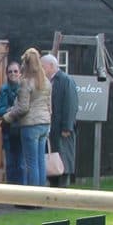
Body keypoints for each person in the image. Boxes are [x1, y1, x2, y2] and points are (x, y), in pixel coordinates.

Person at [3, 46, 52, 186]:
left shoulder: (26, 82)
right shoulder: (46, 82)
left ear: (26, 63)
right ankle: (42, 197)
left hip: (30, 125)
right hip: (44, 124)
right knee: (40, 161)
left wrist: (7, 117)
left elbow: (23, 108)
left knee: (31, 163)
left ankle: (32, 200)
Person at [43, 53, 77, 187]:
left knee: (63, 159)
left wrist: (67, 127)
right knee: (52, 158)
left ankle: (63, 190)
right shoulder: (47, 81)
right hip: (51, 128)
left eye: (43, 66)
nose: (41, 69)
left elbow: (71, 104)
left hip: (63, 129)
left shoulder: (65, 80)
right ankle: (53, 187)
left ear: (51, 66)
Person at [0, 59, 23, 185]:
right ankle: (10, 192)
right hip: (8, 130)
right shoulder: (4, 89)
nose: (13, 74)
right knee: (10, 163)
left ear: (20, 73)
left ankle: (22, 191)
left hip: (22, 129)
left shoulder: (25, 88)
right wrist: (8, 110)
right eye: (10, 71)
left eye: (15, 71)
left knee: (21, 164)